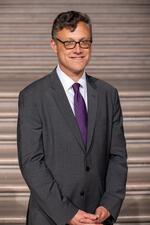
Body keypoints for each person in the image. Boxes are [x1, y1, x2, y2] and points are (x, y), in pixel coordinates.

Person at [17, 11, 128, 225]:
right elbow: (31, 162)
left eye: (84, 42)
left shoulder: (108, 94)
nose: (78, 49)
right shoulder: (32, 96)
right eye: (69, 43)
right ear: (54, 45)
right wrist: (66, 212)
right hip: (50, 217)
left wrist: (110, 203)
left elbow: (117, 156)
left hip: (97, 217)